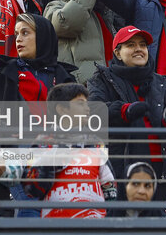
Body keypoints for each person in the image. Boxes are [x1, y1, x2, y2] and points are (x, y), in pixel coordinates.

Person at [87, 26, 166, 200]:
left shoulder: (162, 82)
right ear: (118, 53)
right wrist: (125, 111)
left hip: (165, 174)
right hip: (122, 173)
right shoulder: (102, 79)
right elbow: (95, 113)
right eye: (131, 45)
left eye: (143, 45)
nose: (139, 49)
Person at [19, 83, 117, 219]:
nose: (87, 109)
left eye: (87, 104)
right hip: (57, 222)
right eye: (80, 103)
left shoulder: (95, 142)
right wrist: (50, 162)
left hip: (95, 221)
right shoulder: (44, 141)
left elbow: (109, 183)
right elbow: (31, 188)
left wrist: (110, 217)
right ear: (61, 109)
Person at [44, 0, 115, 83]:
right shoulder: (55, 6)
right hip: (79, 85)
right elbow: (65, 24)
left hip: (108, 83)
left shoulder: (102, 9)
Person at [0, 13, 77, 102]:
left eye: (25, 33)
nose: (18, 39)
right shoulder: (3, 73)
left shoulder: (66, 79)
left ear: (42, 36)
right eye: (16, 34)